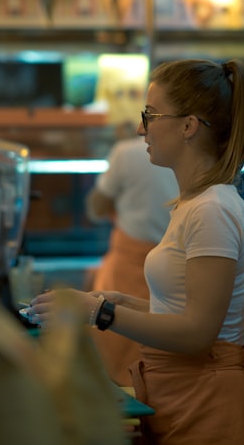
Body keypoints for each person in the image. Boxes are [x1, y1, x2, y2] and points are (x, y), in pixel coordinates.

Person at [28, 58, 244, 444]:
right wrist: (117, 300)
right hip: (184, 396)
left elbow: (198, 333)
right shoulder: (194, 204)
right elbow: (181, 312)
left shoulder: (212, 210)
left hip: (208, 408)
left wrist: (100, 312)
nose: (141, 128)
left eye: (151, 114)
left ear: (188, 126)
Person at [85, 127, 179, 386]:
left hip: (127, 268)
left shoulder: (125, 152)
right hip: (173, 268)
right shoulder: (187, 155)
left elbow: (95, 208)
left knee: (119, 366)